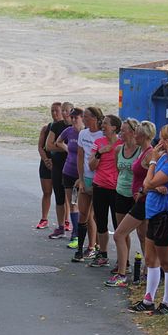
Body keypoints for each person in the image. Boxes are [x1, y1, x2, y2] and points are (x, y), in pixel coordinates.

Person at [129, 124, 168, 315]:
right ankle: (148, 298)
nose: (159, 142)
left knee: (167, 262)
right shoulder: (164, 158)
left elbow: (149, 182)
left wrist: (153, 163)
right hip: (153, 213)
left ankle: (166, 302)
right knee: (150, 259)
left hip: (166, 217)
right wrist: (154, 184)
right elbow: (148, 186)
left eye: (163, 139)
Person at [106, 120, 155, 287]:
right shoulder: (142, 151)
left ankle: (123, 274)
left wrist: (143, 190)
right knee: (141, 235)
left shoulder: (150, 154)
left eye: (137, 134)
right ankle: (147, 271)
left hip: (143, 202)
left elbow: (154, 179)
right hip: (135, 199)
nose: (134, 136)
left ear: (143, 136)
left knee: (121, 234)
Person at [88, 115, 123, 268]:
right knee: (100, 221)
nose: (102, 126)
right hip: (100, 186)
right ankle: (103, 255)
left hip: (117, 189)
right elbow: (91, 166)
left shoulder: (122, 144)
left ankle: (123, 261)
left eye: (106, 124)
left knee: (119, 226)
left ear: (114, 127)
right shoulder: (98, 143)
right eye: (102, 124)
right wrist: (100, 153)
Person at [71, 107, 104, 262]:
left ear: (95, 118)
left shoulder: (103, 134)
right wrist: (81, 178)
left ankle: (96, 247)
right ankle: (81, 250)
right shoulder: (83, 134)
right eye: (83, 116)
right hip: (87, 178)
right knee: (83, 214)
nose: (83, 119)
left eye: (86, 116)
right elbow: (80, 156)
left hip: (100, 180)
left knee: (97, 215)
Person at [56, 107, 84, 248]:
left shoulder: (85, 134)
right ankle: (75, 234)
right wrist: (68, 149)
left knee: (82, 207)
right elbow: (58, 142)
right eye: (71, 117)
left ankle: (84, 236)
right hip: (68, 172)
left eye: (76, 118)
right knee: (72, 204)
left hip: (82, 175)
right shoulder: (69, 131)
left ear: (82, 118)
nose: (73, 120)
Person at [45, 102, 72, 238]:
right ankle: (61, 227)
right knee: (59, 197)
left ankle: (74, 228)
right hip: (58, 165)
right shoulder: (56, 126)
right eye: (64, 111)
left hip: (72, 168)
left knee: (73, 200)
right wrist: (65, 147)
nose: (66, 114)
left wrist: (60, 145)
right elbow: (48, 146)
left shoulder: (77, 128)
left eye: (67, 111)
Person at [37, 106, 61, 229]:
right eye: (52, 110)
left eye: (57, 110)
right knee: (47, 192)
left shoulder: (65, 128)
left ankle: (65, 221)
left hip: (60, 164)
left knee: (61, 195)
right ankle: (44, 218)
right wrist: (46, 160)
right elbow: (41, 146)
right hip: (46, 163)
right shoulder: (46, 128)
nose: (54, 113)